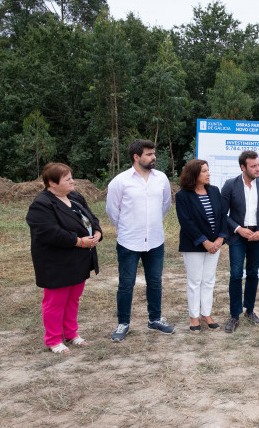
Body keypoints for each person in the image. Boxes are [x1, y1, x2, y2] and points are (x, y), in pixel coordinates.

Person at [26, 163, 102, 354]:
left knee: (73, 299)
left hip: (79, 259)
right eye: (67, 179)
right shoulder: (41, 204)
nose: (72, 182)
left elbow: (91, 218)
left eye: (71, 177)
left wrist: (98, 232)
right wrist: (78, 241)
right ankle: (53, 340)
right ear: (51, 183)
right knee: (55, 302)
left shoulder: (75, 197)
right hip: (56, 262)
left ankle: (71, 333)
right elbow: (49, 232)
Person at [106, 139, 173, 341]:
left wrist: (151, 225)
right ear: (136, 157)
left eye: (154, 153)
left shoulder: (161, 179)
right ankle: (123, 323)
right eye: (149, 154)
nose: (154, 157)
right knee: (126, 284)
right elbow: (111, 210)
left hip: (154, 240)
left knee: (155, 281)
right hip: (129, 241)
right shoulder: (120, 181)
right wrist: (126, 228)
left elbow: (165, 205)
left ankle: (154, 319)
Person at [220, 150, 259, 333]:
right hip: (238, 236)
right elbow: (223, 214)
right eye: (253, 166)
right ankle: (235, 315)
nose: (257, 169)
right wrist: (237, 228)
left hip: (257, 237)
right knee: (236, 274)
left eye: (258, 165)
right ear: (243, 167)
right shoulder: (230, 185)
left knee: (253, 273)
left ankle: (249, 310)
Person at [175, 159, 228, 332]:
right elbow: (186, 222)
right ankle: (193, 317)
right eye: (204, 171)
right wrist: (204, 242)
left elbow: (221, 215)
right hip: (194, 245)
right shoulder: (183, 196)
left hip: (215, 244)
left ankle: (206, 313)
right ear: (194, 174)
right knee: (194, 282)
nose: (208, 174)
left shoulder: (214, 191)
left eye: (208, 170)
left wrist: (220, 239)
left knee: (208, 280)